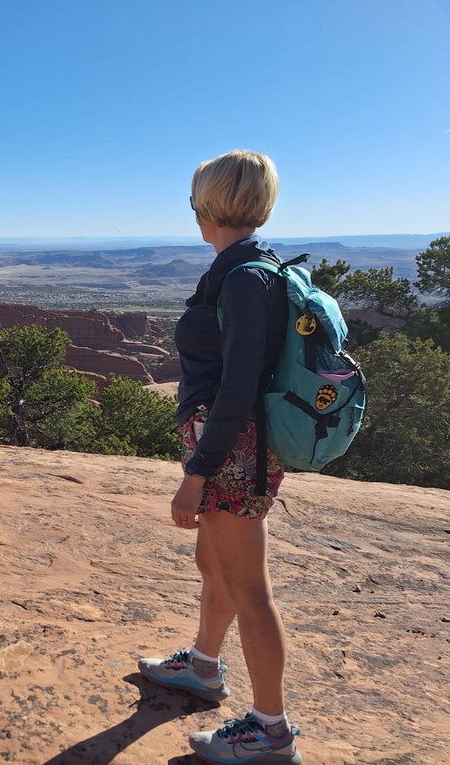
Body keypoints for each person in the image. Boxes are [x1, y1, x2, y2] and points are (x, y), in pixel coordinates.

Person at [137, 150, 302, 764]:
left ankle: (271, 732)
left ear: (208, 205)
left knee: (250, 589)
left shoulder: (244, 279)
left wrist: (196, 474)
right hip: (228, 444)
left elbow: (236, 390)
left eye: (194, 202)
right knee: (213, 564)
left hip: (233, 451)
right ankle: (203, 666)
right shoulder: (242, 269)